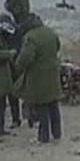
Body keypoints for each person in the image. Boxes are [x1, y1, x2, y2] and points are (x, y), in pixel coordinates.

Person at [13, 14, 63, 144]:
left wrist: (17, 67)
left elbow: (26, 58)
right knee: (53, 104)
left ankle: (43, 137)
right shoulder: (50, 32)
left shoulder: (31, 37)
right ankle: (57, 134)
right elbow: (58, 46)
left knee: (41, 106)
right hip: (53, 72)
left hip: (38, 76)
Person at [0, 14, 18, 137]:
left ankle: (1, 129)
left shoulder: (4, 36)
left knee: (2, 105)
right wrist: (9, 54)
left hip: (4, 75)